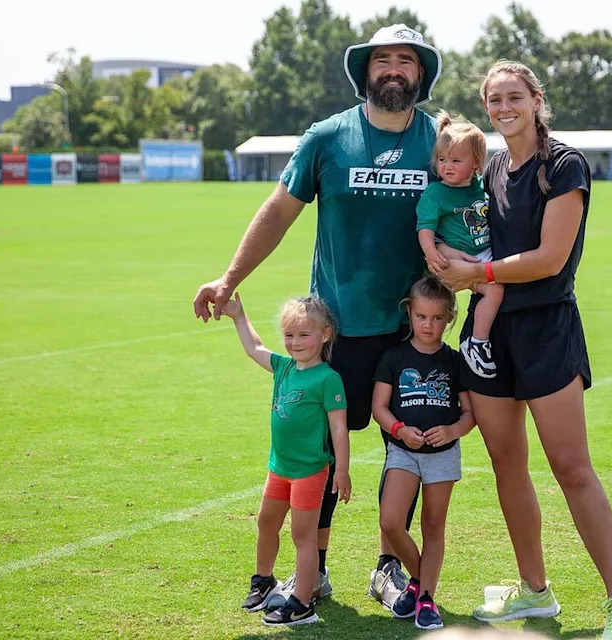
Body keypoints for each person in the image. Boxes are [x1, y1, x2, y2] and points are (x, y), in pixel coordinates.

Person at [192, 24, 460, 610]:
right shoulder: (327, 137)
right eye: (382, 60)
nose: (393, 69)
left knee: (406, 449)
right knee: (319, 453)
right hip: (334, 328)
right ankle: (317, 567)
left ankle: (390, 568)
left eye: (405, 61)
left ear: (422, 74)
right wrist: (229, 279)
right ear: (364, 72)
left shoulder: (439, 143)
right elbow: (278, 211)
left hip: (411, 332)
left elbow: (470, 212)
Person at [437, 60, 612, 640]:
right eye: (494, 99)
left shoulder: (564, 164)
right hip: (489, 330)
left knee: (572, 468)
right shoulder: (492, 164)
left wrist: (473, 270)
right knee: (507, 464)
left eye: (514, 97)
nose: (504, 108)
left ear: (536, 99)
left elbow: (551, 258)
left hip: (548, 328)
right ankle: (535, 593)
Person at [221, 293, 351, 627]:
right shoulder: (284, 367)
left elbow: (339, 427)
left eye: (304, 334)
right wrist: (239, 315)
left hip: (309, 472)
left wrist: (344, 471)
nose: (295, 342)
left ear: (324, 335)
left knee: (302, 537)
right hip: (279, 468)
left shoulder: (327, 379)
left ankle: (303, 603)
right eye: (290, 335)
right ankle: (264, 582)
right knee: (266, 523)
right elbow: (254, 348)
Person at [371, 275, 476, 630]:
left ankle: (425, 598)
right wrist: (399, 430)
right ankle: (420, 580)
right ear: (410, 314)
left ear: (448, 318)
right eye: (421, 317)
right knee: (391, 521)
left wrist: (452, 430)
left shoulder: (453, 361)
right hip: (403, 452)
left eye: (436, 318)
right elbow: (379, 409)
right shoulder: (394, 357)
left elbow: (470, 414)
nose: (428, 326)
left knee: (433, 525)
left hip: (442, 455)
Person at [416, 112, 502, 379]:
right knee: (495, 290)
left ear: (476, 163)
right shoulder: (436, 192)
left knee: (502, 285)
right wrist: (432, 253)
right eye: (442, 160)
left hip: (482, 252)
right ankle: (477, 342)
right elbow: (425, 228)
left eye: (455, 160)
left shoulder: (480, 187)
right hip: (456, 261)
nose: (447, 167)